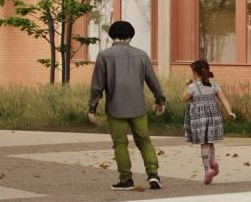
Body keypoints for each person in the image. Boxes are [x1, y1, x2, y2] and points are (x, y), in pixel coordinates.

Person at [87, 18, 168, 190]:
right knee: (144, 141)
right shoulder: (142, 55)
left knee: (120, 144)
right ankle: (153, 175)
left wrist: (92, 107)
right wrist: (159, 100)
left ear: (112, 36)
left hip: (116, 108)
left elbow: (97, 85)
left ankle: (126, 180)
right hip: (138, 107)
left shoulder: (104, 56)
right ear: (130, 37)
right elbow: (152, 81)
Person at [183, 57, 225, 184]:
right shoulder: (214, 86)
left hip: (199, 119)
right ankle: (213, 162)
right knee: (210, 141)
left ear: (195, 73)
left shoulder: (192, 87)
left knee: (204, 143)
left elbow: (184, 99)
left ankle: (207, 170)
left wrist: (186, 85)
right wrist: (229, 112)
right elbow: (224, 100)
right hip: (213, 118)